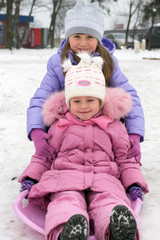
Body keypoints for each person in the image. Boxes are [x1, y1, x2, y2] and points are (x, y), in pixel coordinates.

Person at [19, 53, 149, 240]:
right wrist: (31, 177)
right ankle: (66, 228)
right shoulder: (59, 126)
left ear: (101, 101)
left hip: (104, 178)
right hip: (65, 178)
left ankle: (115, 226)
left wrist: (134, 182)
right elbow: (44, 156)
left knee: (109, 199)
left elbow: (125, 159)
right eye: (77, 101)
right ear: (68, 103)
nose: (83, 106)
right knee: (65, 201)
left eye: (90, 100)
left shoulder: (114, 126)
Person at [27, 0, 144, 163]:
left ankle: (112, 157)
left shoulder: (108, 62)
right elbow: (42, 97)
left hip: (101, 129)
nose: (83, 43)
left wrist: (134, 134)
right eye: (77, 36)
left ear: (98, 39)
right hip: (68, 129)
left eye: (90, 37)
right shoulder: (58, 63)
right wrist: (37, 130)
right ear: (68, 38)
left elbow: (130, 97)